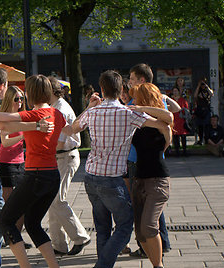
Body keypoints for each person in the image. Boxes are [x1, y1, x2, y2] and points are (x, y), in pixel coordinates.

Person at [65, 70, 171, 268]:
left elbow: (69, 129)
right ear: (121, 89)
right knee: (124, 225)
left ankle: (104, 263)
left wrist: (87, 108)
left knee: (102, 228)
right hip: (112, 179)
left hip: (91, 177)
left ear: (102, 90)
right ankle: (103, 265)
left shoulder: (93, 112)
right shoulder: (129, 113)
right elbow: (163, 122)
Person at [0, 74, 65, 268]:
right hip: (52, 176)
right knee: (33, 225)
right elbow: (70, 129)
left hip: (35, 175)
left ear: (30, 94)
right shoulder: (56, 114)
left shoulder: (34, 114)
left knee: (6, 221)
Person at [127, 63, 173, 257]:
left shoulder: (157, 116)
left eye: (132, 79)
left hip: (156, 178)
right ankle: (156, 256)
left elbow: (169, 118)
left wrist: (140, 107)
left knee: (148, 226)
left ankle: (158, 258)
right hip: (140, 177)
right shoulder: (140, 116)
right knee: (141, 230)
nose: (132, 99)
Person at [47, 76, 91, 256]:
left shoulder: (61, 109)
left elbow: (59, 142)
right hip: (61, 157)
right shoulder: (54, 107)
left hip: (65, 157)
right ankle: (58, 245)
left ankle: (80, 237)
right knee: (53, 201)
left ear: (50, 91)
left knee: (57, 200)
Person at [0, 85, 32, 248]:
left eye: (22, 98)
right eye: (16, 99)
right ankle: (8, 237)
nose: (20, 101)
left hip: (21, 163)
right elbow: (5, 141)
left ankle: (16, 238)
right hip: (6, 164)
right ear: (9, 99)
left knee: (22, 204)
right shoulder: (5, 117)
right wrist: (25, 133)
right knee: (8, 204)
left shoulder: (23, 116)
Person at [193, 78, 213, 145]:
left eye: (203, 83)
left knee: (207, 125)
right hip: (199, 109)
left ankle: (207, 140)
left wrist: (206, 87)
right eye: (202, 84)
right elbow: (195, 96)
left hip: (206, 109)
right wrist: (198, 86)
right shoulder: (199, 91)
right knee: (200, 126)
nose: (202, 85)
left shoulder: (207, 90)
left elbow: (212, 94)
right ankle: (200, 140)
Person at [171, 87, 190, 156]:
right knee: (175, 137)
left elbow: (187, 109)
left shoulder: (182, 100)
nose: (175, 92)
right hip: (174, 120)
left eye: (176, 91)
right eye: (174, 91)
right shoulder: (171, 100)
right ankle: (177, 152)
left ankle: (185, 151)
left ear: (179, 92)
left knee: (183, 136)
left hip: (181, 120)